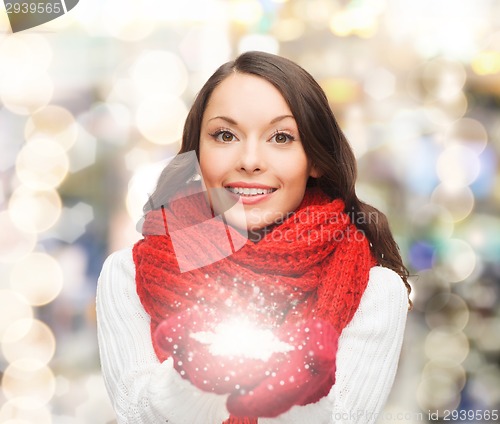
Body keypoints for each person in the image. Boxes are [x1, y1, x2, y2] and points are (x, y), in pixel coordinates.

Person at [96, 51, 411, 424]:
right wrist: (195, 374)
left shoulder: (374, 291)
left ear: (315, 159)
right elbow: (136, 414)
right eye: (225, 135)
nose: (250, 160)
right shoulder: (128, 275)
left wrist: (298, 377)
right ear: (198, 152)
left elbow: (344, 418)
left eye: (281, 137)